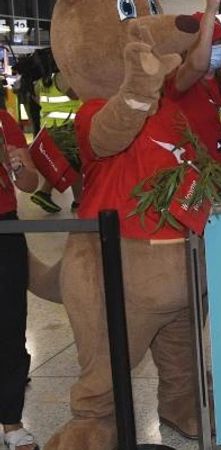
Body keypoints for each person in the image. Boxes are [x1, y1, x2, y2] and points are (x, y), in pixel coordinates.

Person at [165, 0, 221, 187]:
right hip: (200, 185)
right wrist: (211, 10)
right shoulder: (177, 82)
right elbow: (197, 65)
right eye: (212, 42)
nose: (220, 48)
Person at [0, 98, 40, 450]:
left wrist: (19, 166)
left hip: (4, 232)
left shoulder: (3, 121)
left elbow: (30, 183)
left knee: (10, 327)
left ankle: (12, 422)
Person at [31, 71, 83, 213]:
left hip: (49, 126)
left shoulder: (40, 82)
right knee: (72, 161)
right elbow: (76, 95)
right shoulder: (62, 77)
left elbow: (38, 100)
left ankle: (79, 201)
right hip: (66, 126)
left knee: (73, 163)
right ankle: (45, 192)